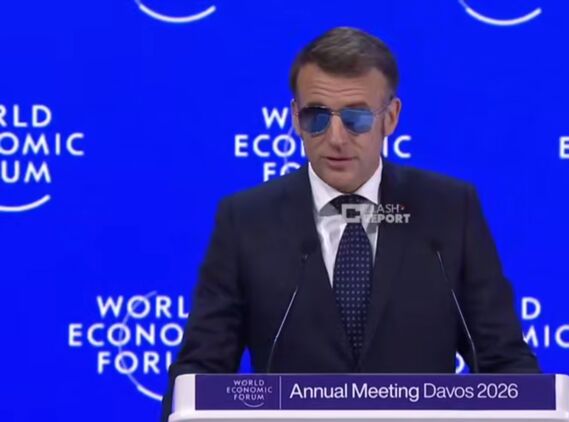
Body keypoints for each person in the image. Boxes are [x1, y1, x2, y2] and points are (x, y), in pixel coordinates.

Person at [162, 26, 538, 421]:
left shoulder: (448, 210)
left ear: (390, 118)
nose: (336, 138)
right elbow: (199, 374)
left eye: (356, 118)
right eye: (317, 117)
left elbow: (503, 361)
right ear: (295, 118)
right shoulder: (246, 220)